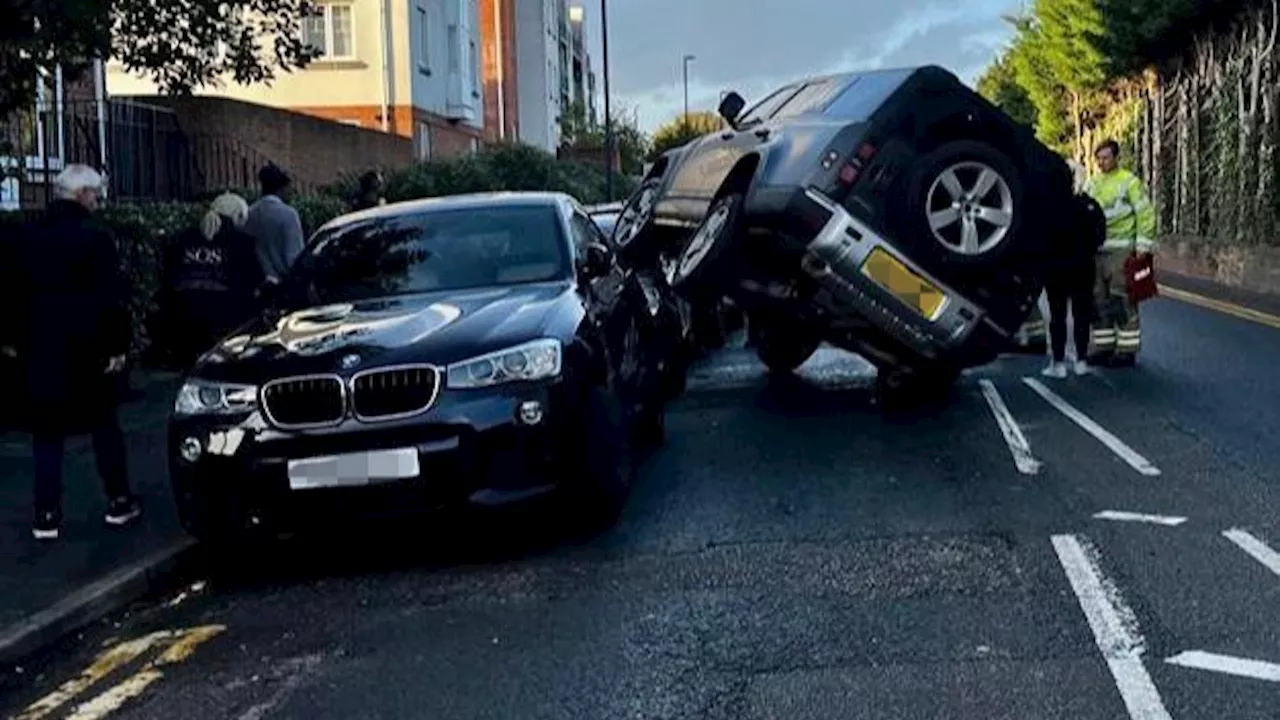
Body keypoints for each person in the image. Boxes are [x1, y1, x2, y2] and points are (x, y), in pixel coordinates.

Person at [6, 165, 140, 540]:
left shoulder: (27, 236)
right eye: (95, 195)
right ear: (82, 195)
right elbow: (111, 297)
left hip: (41, 348)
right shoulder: (96, 239)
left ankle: (45, 513)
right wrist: (117, 347)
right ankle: (118, 500)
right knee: (103, 427)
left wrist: (15, 339)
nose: (98, 201)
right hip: (88, 349)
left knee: (46, 434)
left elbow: (13, 292)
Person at [160, 192, 264, 367]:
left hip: (182, 315)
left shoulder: (184, 238)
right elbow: (252, 279)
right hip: (224, 319)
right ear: (238, 215)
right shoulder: (242, 242)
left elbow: (170, 272)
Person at [1085, 140, 1156, 366]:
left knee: (1121, 298)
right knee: (1098, 299)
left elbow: (1145, 214)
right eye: (1099, 158)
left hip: (1122, 250)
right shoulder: (1092, 184)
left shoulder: (1129, 182)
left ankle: (1127, 349)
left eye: (1106, 157)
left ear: (1116, 158)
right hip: (1097, 251)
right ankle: (1103, 346)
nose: (1101, 162)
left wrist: (1143, 247)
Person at [1042, 160, 1106, 378]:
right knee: (1082, 315)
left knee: (1057, 315)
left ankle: (1058, 363)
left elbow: (1040, 239)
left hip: (1056, 269)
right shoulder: (1089, 206)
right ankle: (1080, 360)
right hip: (1083, 268)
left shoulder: (1049, 206)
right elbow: (1100, 235)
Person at [244, 164, 305, 283]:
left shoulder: (250, 213)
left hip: (255, 282)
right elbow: (293, 258)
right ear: (281, 188)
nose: (292, 192)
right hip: (282, 284)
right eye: (289, 188)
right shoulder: (289, 214)